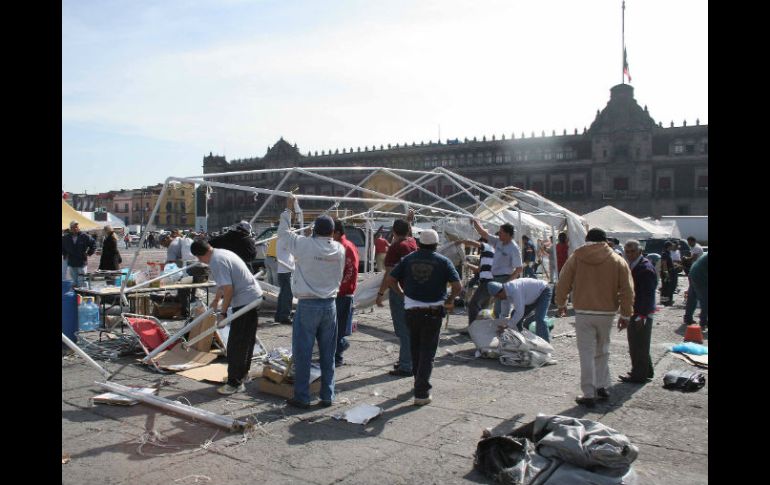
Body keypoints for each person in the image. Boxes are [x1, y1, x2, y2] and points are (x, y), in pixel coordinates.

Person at [555, 228, 634, 407]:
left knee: (586, 354)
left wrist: (561, 304)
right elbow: (627, 289)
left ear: (587, 239)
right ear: (605, 240)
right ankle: (601, 386)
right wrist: (626, 314)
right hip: (607, 313)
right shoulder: (617, 260)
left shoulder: (577, 257)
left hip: (583, 311)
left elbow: (564, 280)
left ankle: (589, 393)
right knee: (603, 351)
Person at [279, 196, 345, 408]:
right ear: (333, 232)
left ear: (315, 230)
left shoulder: (304, 245)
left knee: (303, 352)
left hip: (308, 305)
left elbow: (283, 235)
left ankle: (302, 396)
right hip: (330, 305)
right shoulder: (339, 249)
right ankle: (327, 395)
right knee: (328, 353)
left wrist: (288, 211)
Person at [383, 229, 461, 405]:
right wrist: (450, 299)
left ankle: (418, 382)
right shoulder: (443, 261)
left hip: (411, 310)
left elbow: (391, 280)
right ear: (435, 244)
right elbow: (457, 286)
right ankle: (421, 392)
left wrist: (403, 295)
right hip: (433, 311)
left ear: (419, 243)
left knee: (415, 348)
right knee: (428, 352)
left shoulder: (408, 259)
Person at [190, 239, 263, 395]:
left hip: (245, 301)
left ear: (200, 255)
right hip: (253, 297)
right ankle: (242, 376)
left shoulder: (216, 261)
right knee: (246, 340)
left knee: (236, 343)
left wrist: (222, 314)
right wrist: (216, 301)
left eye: (198, 258)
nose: (200, 261)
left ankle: (234, 383)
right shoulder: (221, 253)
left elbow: (228, 289)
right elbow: (224, 284)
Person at [376, 210, 417, 377]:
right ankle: (407, 359)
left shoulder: (394, 248)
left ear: (393, 231)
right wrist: (408, 220)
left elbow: (389, 274)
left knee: (402, 330)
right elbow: (405, 236)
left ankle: (407, 365)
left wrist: (380, 293)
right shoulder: (412, 243)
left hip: (399, 292)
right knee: (410, 329)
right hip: (412, 291)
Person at [619, 240, 657, 384]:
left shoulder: (645, 268)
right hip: (636, 309)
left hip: (642, 312)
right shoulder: (633, 265)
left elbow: (648, 294)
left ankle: (638, 375)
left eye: (632, 251)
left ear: (639, 251)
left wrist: (642, 315)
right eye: (627, 251)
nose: (629, 254)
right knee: (640, 343)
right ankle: (646, 371)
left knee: (637, 344)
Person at [470, 220, 523, 318]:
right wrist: (475, 222)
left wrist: (507, 283)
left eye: (501, 232)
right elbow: (484, 234)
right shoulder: (499, 241)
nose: (499, 234)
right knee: (492, 305)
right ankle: (489, 325)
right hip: (494, 278)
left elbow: (519, 268)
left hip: (504, 279)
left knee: (501, 308)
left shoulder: (514, 248)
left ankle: (500, 328)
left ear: (508, 234)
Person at [488, 278, 553, 342]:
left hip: (543, 291)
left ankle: (545, 343)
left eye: (498, 296)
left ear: (501, 291)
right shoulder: (504, 293)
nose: (499, 299)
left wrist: (508, 326)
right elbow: (505, 311)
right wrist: (501, 323)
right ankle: (519, 335)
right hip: (532, 297)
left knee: (539, 317)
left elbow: (519, 312)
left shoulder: (514, 289)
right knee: (514, 314)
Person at [332, 219, 359, 367]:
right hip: (336, 293)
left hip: (342, 294)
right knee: (333, 328)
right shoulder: (338, 246)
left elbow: (351, 271)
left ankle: (338, 356)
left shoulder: (346, 247)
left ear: (336, 233)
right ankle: (340, 348)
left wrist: (339, 289)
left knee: (338, 328)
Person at [453, 237, 495, 326]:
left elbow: (473, 242)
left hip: (487, 282)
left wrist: (461, 241)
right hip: (489, 282)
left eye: (480, 243)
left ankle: (472, 328)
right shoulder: (487, 254)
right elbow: (478, 270)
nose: (478, 246)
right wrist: (467, 264)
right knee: (483, 308)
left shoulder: (488, 247)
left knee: (473, 305)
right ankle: (480, 329)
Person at [274, 216, 296, 325]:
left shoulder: (280, 239)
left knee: (283, 294)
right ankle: (284, 316)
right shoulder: (284, 239)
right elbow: (294, 247)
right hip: (285, 271)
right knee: (287, 294)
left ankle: (279, 315)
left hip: (283, 270)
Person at [62, 221, 96, 287]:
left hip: (82, 262)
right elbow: (63, 247)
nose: (75, 229)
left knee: (82, 281)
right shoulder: (66, 238)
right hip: (72, 262)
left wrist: (89, 253)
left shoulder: (85, 236)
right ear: (70, 228)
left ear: (78, 227)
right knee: (74, 282)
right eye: (73, 227)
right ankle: (76, 296)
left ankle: (83, 295)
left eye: (76, 227)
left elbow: (93, 244)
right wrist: (65, 254)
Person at [684, 252, 708, 330]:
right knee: (705, 300)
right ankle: (703, 322)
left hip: (693, 273)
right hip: (700, 277)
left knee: (692, 298)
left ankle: (688, 318)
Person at [659, 241, 675, 306]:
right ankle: (664, 301)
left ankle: (667, 300)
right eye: (671, 246)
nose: (672, 247)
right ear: (668, 246)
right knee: (665, 287)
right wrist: (666, 273)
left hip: (669, 272)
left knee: (668, 287)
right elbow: (664, 264)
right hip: (666, 273)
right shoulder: (665, 254)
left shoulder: (668, 253)